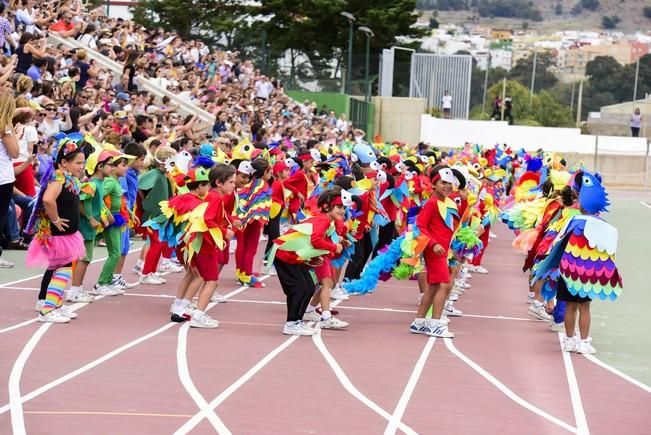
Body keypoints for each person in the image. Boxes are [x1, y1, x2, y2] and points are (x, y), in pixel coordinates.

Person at [27, 140, 87, 323]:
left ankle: (53, 304)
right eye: (78, 162)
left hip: (67, 234)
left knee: (57, 268)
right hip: (59, 235)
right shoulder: (58, 178)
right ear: (63, 163)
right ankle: (47, 310)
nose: (82, 166)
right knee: (64, 270)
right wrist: (55, 219)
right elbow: (47, 200)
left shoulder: (69, 179)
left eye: (83, 162)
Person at [270, 188, 344, 336]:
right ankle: (291, 323)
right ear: (326, 207)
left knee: (309, 287)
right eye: (339, 207)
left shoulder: (327, 222)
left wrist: (314, 257)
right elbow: (315, 240)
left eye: (344, 207)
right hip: (285, 254)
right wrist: (334, 247)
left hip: (294, 256)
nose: (343, 210)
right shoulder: (323, 220)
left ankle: (297, 320)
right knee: (299, 288)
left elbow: (310, 241)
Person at [410, 166, 460, 338]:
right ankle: (436, 323)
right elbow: (420, 226)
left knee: (433, 287)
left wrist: (452, 247)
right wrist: (433, 244)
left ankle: (419, 322)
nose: (447, 186)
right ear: (434, 185)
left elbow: (448, 229)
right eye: (443, 183)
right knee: (443, 285)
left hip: (443, 250)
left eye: (449, 183)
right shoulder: (431, 203)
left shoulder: (447, 203)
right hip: (434, 251)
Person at [0, 92, 18, 268]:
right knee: (1, 216)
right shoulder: (5, 127)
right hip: (3, 178)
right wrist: (15, 136)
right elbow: (14, 153)